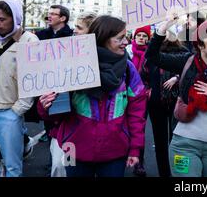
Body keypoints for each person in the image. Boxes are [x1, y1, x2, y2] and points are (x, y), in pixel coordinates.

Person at [38, 15, 147, 177]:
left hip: (115, 151)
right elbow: (55, 115)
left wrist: (135, 148)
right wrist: (45, 105)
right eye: (120, 38)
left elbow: (137, 113)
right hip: (72, 148)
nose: (126, 42)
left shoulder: (128, 70)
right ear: (103, 39)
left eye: (126, 37)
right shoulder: (71, 66)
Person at [146, 17, 207, 177]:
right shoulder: (186, 61)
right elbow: (152, 57)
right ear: (200, 44)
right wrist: (163, 27)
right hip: (184, 144)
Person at [37, 11, 97, 177]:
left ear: (93, 33)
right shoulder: (61, 58)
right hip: (68, 134)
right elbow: (49, 103)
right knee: (61, 168)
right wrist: (44, 105)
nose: (74, 31)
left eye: (79, 28)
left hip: (93, 137)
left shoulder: (108, 62)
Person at [0, 0, 38, 177]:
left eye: (2, 19)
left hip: (8, 113)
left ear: (15, 18)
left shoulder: (29, 41)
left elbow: (33, 79)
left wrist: (16, 111)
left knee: (12, 166)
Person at [143, 30, 188, 177]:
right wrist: (148, 88)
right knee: (160, 142)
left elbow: (191, 72)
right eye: (165, 30)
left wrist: (177, 77)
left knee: (178, 140)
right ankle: (164, 173)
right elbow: (144, 73)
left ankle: (179, 173)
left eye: (172, 30)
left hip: (177, 102)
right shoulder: (153, 52)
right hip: (157, 103)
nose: (169, 32)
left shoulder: (184, 52)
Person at [30, 5, 74, 144]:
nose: (49, 16)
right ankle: (52, 159)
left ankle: (65, 160)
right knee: (48, 117)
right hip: (45, 82)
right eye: (49, 13)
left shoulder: (72, 36)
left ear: (63, 18)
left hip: (65, 83)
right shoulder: (39, 36)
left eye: (53, 14)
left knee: (64, 120)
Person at [124, 25, 152, 176]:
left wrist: (151, 87)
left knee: (138, 129)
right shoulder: (126, 51)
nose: (141, 38)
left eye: (144, 36)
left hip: (143, 97)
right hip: (125, 96)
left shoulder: (151, 54)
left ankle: (139, 162)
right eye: (139, 35)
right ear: (134, 38)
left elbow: (155, 73)